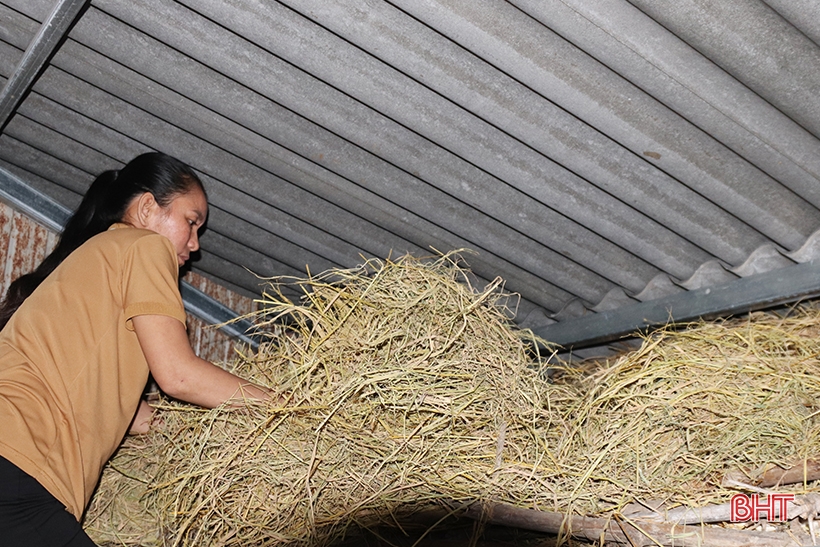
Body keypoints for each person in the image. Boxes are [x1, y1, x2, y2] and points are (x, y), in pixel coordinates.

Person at [0, 152, 271, 546]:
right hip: (20, 467)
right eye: (190, 222)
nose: (195, 245)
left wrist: (202, 440)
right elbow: (177, 374)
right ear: (147, 208)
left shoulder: (96, 264)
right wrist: (289, 409)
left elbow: (134, 415)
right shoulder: (144, 247)